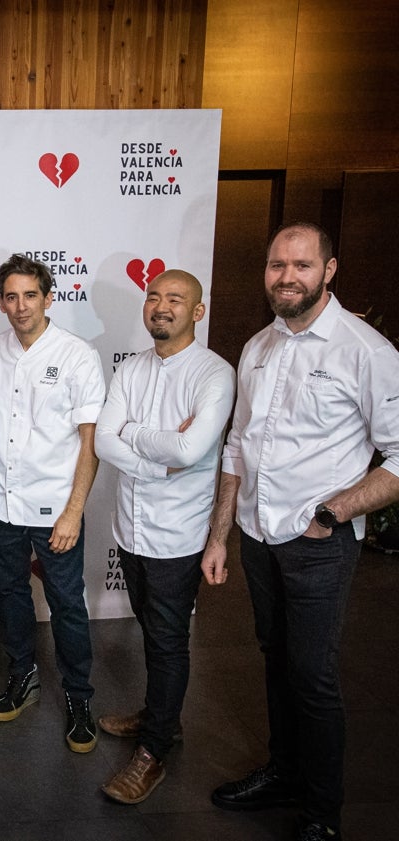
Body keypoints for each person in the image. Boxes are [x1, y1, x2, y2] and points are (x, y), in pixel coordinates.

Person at [202, 223, 399, 841]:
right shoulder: (258, 345)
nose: (287, 276)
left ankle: (321, 814)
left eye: (301, 265)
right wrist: (219, 535)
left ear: (329, 269)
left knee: (313, 677)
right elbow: (237, 446)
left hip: (318, 544)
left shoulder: (365, 351)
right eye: (276, 265)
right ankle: (284, 773)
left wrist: (333, 513)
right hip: (260, 538)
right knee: (276, 658)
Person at [93, 270, 234, 803]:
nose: (161, 306)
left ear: (197, 312)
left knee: (169, 640)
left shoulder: (214, 373)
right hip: (130, 529)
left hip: (179, 535)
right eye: (154, 296)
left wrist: (134, 434)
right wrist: (149, 449)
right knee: (152, 631)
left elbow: (190, 451)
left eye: (176, 299)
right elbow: (106, 440)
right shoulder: (131, 368)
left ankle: (154, 752)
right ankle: (159, 716)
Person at [0, 253, 105, 753]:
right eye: (11, 296)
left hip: (55, 508)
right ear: (0, 301)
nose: (20, 306)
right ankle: (22, 676)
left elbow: (91, 441)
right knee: (10, 593)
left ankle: (79, 696)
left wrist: (73, 510)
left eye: (30, 295)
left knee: (67, 603)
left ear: (49, 298)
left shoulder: (78, 355)